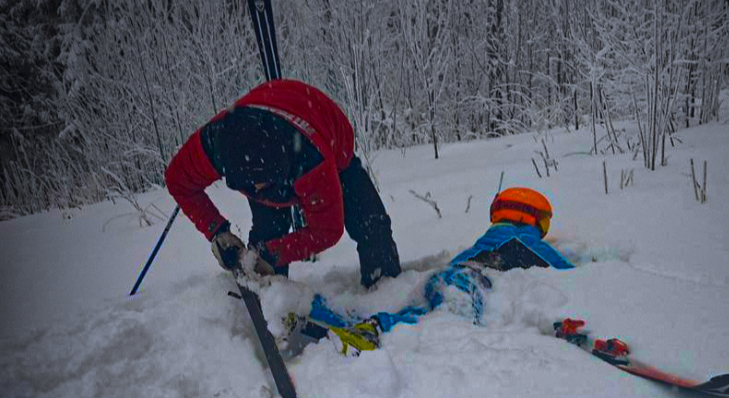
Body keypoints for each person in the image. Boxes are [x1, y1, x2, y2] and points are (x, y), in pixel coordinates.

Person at [164, 79, 401, 288]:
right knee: (266, 236)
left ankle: (386, 288)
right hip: (262, 142)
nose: (256, 190)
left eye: (262, 183)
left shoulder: (312, 160)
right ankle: (268, 303)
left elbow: (327, 230)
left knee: (369, 223)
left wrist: (276, 253)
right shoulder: (216, 145)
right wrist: (217, 231)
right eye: (248, 185)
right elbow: (177, 181)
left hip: (330, 142)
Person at [294, 187, 574, 352]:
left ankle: (318, 310)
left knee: (417, 316)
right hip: (467, 283)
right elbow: (571, 273)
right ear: (531, 217)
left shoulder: (483, 243)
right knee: (447, 326)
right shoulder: (523, 240)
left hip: (444, 278)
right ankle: (375, 330)